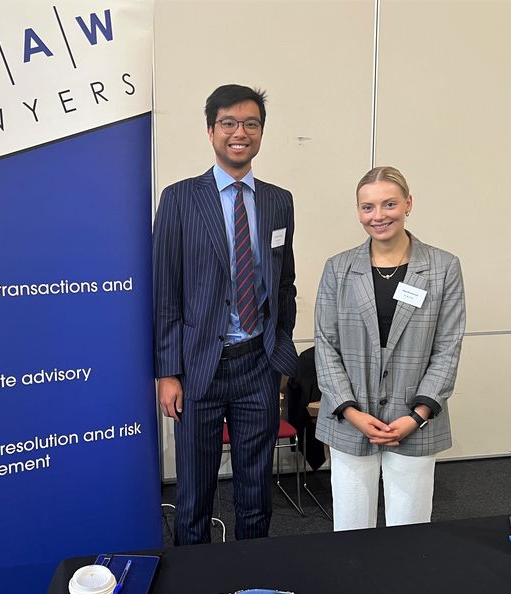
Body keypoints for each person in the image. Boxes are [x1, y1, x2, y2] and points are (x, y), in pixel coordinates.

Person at [153, 84, 298, 545]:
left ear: (261, 132)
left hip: (258, 364)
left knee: (256, 493)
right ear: (211, 130)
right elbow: (165, 294)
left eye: (251, 124)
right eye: (230, 123)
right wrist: (167, 372)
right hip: (199, 370)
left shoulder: (278, 201)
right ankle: (194, 579)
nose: (241, 132)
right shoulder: (179, 199)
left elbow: (284, 283)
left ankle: (251, 575)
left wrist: (281, 355)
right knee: (194, 493)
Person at [314, 166, 465, 530]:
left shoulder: (443, 267)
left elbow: (448, 347)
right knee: (351, 531)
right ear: (358, 212)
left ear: (409, 204)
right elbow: (325, 344)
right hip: (350, 421)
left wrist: (417, 415)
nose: (378, 216)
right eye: (368, 207)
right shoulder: (338, 269)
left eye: (389, 204)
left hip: (414, 421)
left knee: (410, 532)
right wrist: (351, 412)